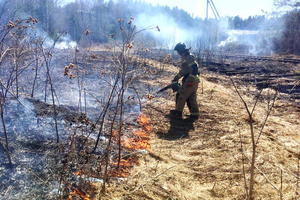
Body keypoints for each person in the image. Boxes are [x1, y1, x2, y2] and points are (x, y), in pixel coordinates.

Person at [169, 43, 200, 120]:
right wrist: (176, 78)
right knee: (191, 97)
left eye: (178, 51)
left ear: (181, 50)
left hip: (190, 80)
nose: (178, 53)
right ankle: (195, 114)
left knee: (181, 95)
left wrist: (190, 80)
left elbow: (195, 68)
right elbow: (184, 71)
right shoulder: (187, 57)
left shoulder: (188, 57)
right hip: (194, 80)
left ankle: (178, 113)